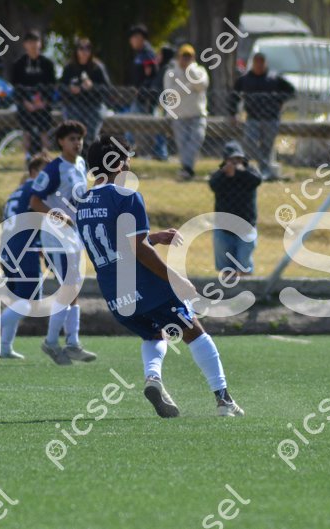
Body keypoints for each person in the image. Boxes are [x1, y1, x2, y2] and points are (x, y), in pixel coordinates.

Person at [78, 135, 245, 418]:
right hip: (143, 284)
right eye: (126, 159)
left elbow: (114, 242)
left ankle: (153, 378)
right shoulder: (127, 194)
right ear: (116, 164)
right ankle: (223, 400)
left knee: (154, 333)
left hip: (114, 292)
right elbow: (138, 250)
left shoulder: (83, 202)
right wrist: (175, 280)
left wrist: (152, 237)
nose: (130, 165)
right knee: (193, 330)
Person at [29, 120, 96, 365]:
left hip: (74, 235)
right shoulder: (53, 169)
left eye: (79, 138)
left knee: (73, 288)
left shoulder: (80, 163)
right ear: (61, 142)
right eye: (71, 139)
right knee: (68, 287)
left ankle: (72, 343)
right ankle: (51, 341)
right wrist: (57, 215)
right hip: (56, 237)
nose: (77, 143)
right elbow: (35, 201)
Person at [0, 154, 49, 359]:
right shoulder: (34, 191)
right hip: (24, 250)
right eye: (44, 172)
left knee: (16, 301)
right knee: (31, 302)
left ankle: (5, 347)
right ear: (34, 172)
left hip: (6, 250)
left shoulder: (17, 191)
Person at [230, 52, 295, 180]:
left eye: (261, 62)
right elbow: (234, 96)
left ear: (265, 63)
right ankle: (264, 167)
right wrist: (233, 113)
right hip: (252, 118)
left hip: (271, 118)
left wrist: (278, 100)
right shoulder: (245, 79)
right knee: (249, 143)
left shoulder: (274, 78)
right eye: (257, 62)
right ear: (253, 63)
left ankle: (264, 171)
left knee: (267, 146)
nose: (259, 65)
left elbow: (291, 91)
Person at [209, 141, 261, 279]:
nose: (236, 163)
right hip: (224, 228)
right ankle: (228, 290)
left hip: (246, 226)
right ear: (225, 161)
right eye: (232, 160)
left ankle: (247, 289)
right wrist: (226, 173)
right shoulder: (220, 175)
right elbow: (213, 184)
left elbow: (256, 180)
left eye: (239, 159)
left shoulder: (249, 172)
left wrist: (238, 173)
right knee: (227, 268)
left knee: (244, 264)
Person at [164, 43, 209, 180]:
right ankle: (187, 170)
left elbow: (201, 85)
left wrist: (190, 71)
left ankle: (186, 169)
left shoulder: (199, 71)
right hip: (179, 115)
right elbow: (170, 95)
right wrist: (189, 87)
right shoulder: (171, 73)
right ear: (178, 57)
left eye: (189, 57)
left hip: (197, 114)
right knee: (182, 145)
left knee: (197, 138)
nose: (186, 60)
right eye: (184, 57)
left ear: (193, 58)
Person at [11, 30, 57, 160]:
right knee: (26, 130)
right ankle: (27, 156)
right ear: (25, 44)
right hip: (25, 103)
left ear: (40, 44)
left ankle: (45, 154)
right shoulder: (19, 64)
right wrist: (26, 102)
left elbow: (52, 86)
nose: (33, 45)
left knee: (44, 129)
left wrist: (44, 102)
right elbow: (16, 87)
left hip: (43, 103)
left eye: (36, 42)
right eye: (30, 42)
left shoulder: (47, 64)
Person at [60, 38, 111, 151]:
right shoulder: (69, 67)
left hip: (94, 105)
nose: (84, 52)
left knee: (91, 133)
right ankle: (74, 154)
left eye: (88, 49)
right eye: (81, 48)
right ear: (76, 51)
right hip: (73, 105)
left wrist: (92, 87)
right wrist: (70, 89)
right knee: (73, 130)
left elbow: (107, 89)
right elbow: (61, 87)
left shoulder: (97, 67)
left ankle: (90, 154)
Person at [126, 24, 166, 160]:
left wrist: (142, 90)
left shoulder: (147, 53)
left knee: (146, 124)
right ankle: (158, 152)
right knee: (141, 125)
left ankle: (160, 153)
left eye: (133, 38)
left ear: (140, 38)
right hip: (142, 96)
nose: (131, 41)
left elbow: (152, 75)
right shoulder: (141, 53)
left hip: (146, 97)